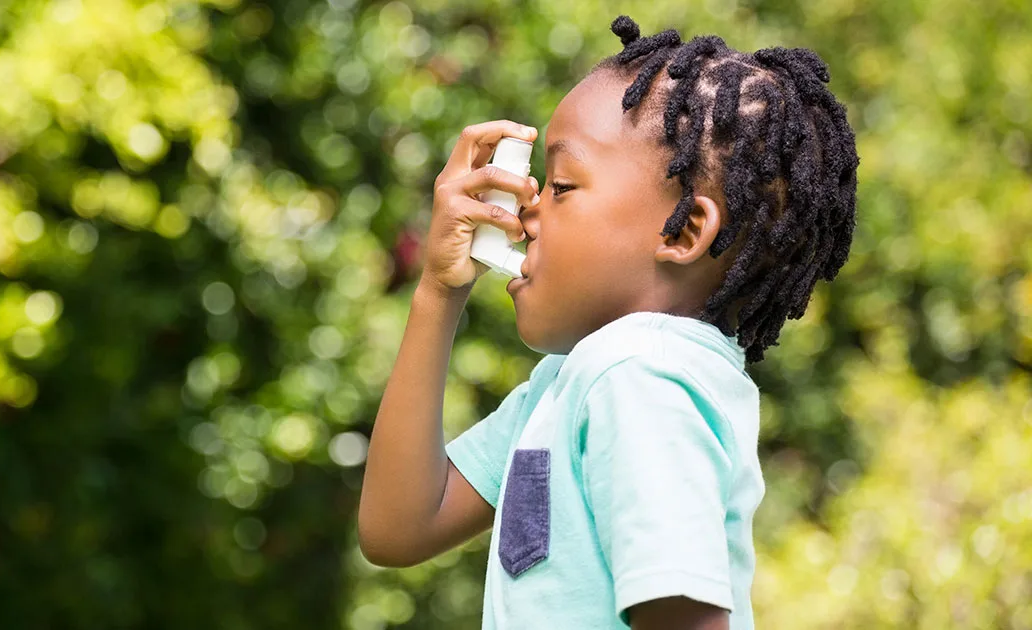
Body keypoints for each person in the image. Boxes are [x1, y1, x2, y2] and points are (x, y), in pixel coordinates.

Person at [357, 15, 859, 630]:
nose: (526, 210)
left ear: (684, 231)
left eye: (562, 185)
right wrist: (439, 289)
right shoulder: (575, 382)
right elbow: (398, 527)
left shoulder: (639, 378)